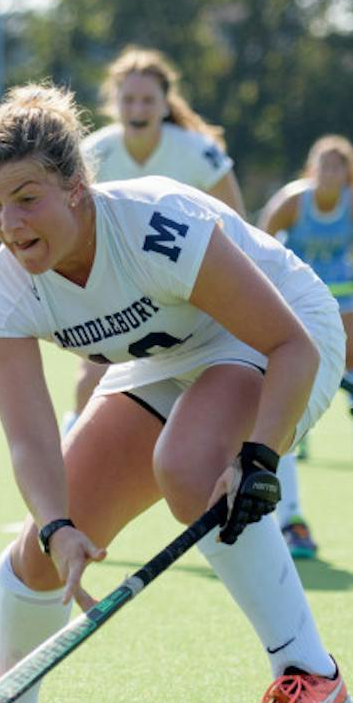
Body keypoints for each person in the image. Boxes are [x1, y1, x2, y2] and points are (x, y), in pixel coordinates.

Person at [0, 84, 353, 703]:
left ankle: (311, 674)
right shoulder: (5, 293)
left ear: (75, 187)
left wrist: (259, 458)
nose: (8, 223)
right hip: (168, 358)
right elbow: (30, 438)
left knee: (190, 466)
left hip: (278, 335)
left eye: (26, 198)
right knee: (39, 545)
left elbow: (290, 346)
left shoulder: (154, 226)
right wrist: (58, 527)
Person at [61, 47, 246, 429]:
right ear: (115, 104)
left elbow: (238, 224)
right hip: (119, 288)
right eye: (128, 99)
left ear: (165, 104)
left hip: (194, 286)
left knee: (221, 384)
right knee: (90, 383)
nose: (138, 109)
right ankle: (71, 466)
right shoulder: (93, 153)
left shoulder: (199, 152)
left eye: (148, 100)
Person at [260, 135, 353, 503]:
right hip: (299, 293)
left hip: (341, 292)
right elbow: (262, 236)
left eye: (338, 166)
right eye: (324, 164)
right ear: (312, 168)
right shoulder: (293, 201)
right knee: (296, 361)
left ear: (348, 173)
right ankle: (297, 438)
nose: (330, 173)